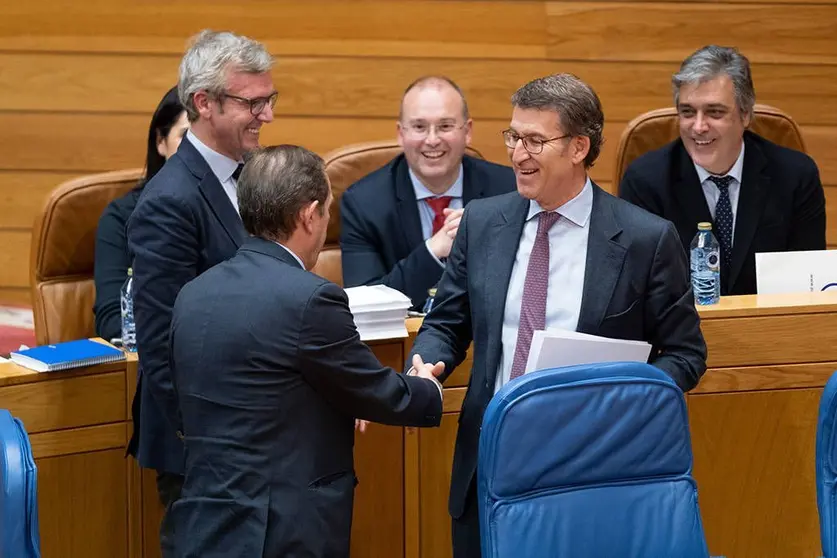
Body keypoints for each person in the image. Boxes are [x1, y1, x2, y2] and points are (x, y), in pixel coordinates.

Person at [407, 73, 708, 558]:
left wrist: (618, 403)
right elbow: (447, 322)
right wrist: (428, 360)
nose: (517, 153)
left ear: (578, 147)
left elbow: (685, 355)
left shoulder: (643, 240)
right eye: (512, 137)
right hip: (491, 460)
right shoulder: (483, 222)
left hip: (595, 465)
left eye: (534, 140)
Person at [169, 145, 444, 558]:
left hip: (200, 523)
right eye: (327, 211)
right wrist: (428, 389)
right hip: (283, 532)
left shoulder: (192, 294)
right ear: (308, 213)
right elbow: (374, 390)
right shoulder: (311, 298)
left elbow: (254, 390)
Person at [126, 30, 276, 557]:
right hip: (208, 446)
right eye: (251, 102)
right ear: (203, 103)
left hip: (259, 434)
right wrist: (214, 444)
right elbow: (164, 344)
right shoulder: (169, 200)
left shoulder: (255, 177)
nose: (267, 115)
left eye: (269, 99)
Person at [620, 45, 825, 295]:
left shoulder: (795, 176)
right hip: (680, 330)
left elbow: (808, 287)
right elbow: (639, 289)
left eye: (714, 112)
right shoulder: (645, 181)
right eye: (687, 112)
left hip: (771, 328)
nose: (698, 127)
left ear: (746, 115)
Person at [340, 76, 516, 309]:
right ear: (401, 134)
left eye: (445, 126)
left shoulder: (508, 190)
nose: (432, 140)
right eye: (419, 127)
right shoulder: (363, 204)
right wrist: (433, 250)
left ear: (468, 131)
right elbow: (366, 305)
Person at [93, 86, 189, 342]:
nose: (197, 153)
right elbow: (114, 321)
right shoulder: (121, 216)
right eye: (186, 137)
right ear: (161, 141)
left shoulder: (237, 207)